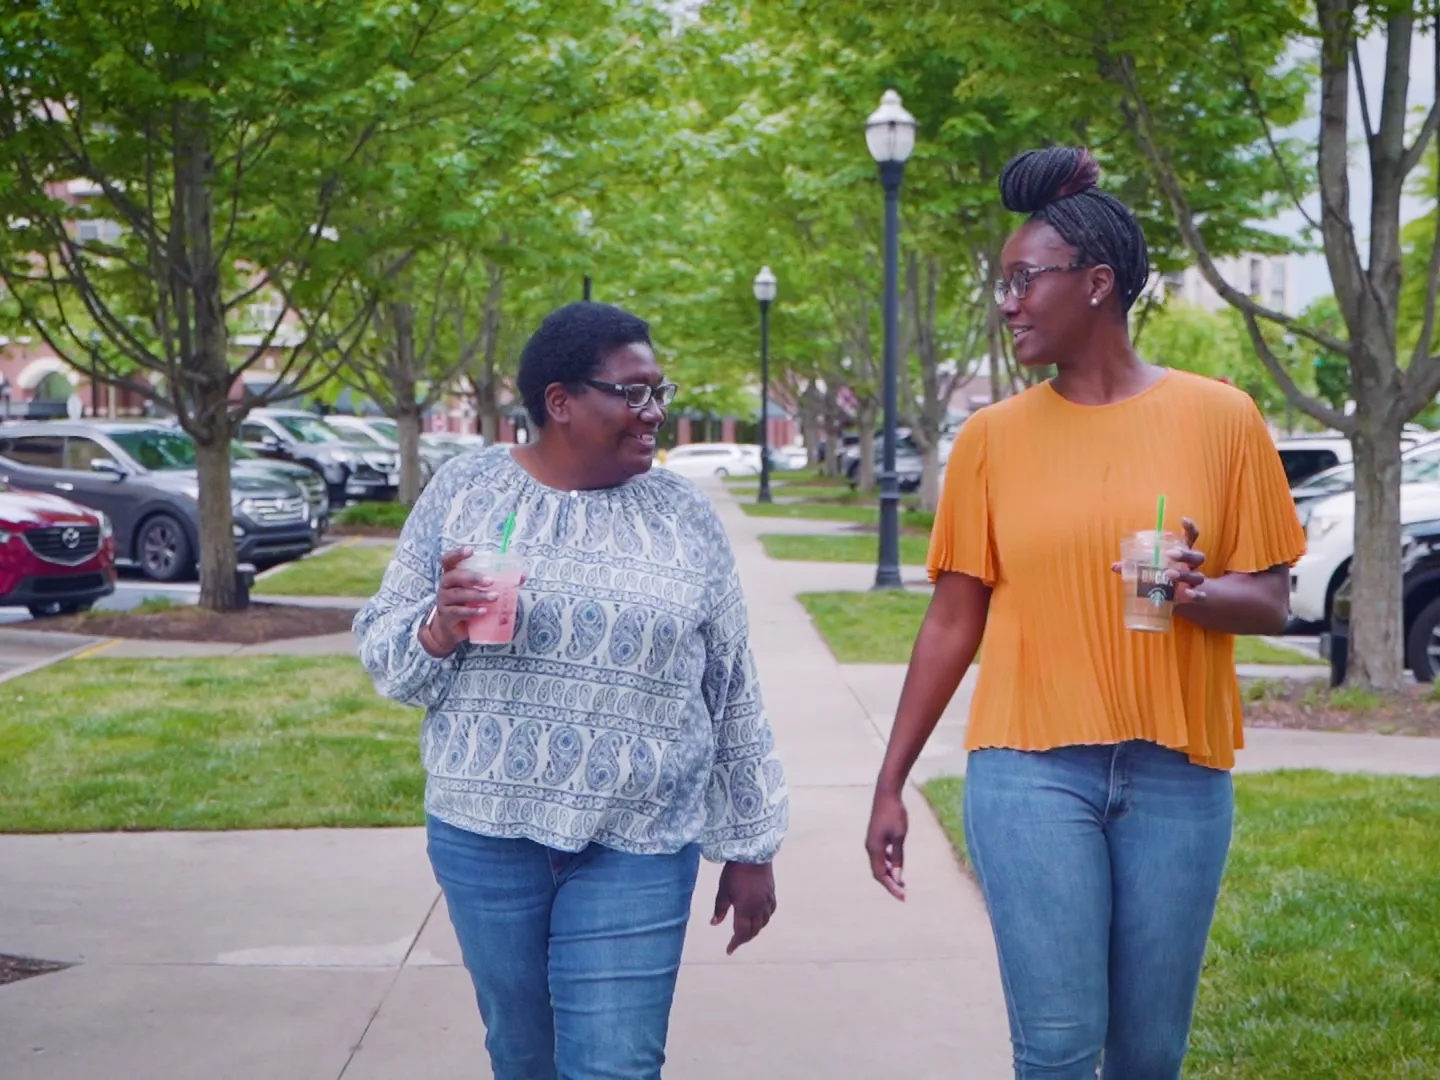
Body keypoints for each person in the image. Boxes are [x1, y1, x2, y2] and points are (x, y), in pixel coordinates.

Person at [864, 146, 1305, 1080]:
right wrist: (891, 779)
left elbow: (1270, 598)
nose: (1007, 301)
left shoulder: (1222, 416)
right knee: (1059, 1050)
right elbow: (952, 619)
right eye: (1002, 283)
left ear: (1098, 282)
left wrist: (1194, 594)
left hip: (1179, 777)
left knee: (1148, 1056)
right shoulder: (990, 439)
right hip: (1029, 774)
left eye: (1025, 280)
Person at [355, 301, 788, 1080]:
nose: (654, 411)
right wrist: (438, 629)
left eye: (660, 391)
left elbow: (730, 683)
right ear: (559, 402)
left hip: (640, 838)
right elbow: (386, 656)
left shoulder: (683, 516)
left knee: (615, 1066)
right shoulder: (467, 490)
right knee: (524, 1058)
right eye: (633, 393)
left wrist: (749, 844)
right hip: (487, 833)